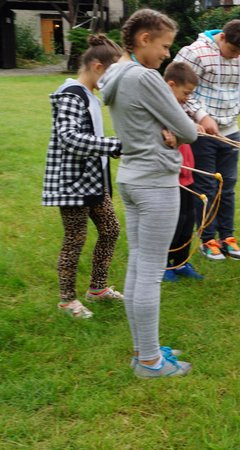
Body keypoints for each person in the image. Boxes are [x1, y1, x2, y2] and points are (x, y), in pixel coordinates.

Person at [100, 8, 198, 378]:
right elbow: (187, 131)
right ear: (143, 39)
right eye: (164, 46)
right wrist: (173, 127)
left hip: (130, 178)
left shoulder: (114, 73)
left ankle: (146, 349)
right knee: (150, 272)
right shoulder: (146, 77)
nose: (167, 55)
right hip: (155, 182)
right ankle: (150, 362)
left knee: (139, 264)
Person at [42, 34, 124, 319]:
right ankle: (66, 300)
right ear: (98, 67)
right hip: (73, 184)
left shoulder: (91, 97)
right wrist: (115, 145)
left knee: (111, 230)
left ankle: (98, 289)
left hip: (94, 181)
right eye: (113, 75)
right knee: (75, 238)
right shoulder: (71, 94)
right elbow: (68, 138)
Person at [174, 19, 240, 261]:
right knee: (206, 187)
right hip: (201, 134)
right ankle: (207, 239)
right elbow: (177, 90)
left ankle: (227, 237)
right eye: (233, 50)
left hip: (230, 133)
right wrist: (202, 116)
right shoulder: (194, 53)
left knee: (228, 187)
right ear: (222, 37)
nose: (236, 56)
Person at [161, 61, 205, 282]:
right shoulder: (161, 110)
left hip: (187, 176)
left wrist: (193, 126)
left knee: (188, 221)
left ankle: (181, 262)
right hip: (172, 178)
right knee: (173, 223)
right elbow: (165, 138)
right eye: (186, 92)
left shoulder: (180, 109)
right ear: (170, 85)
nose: (188, 97)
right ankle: (164, 266)